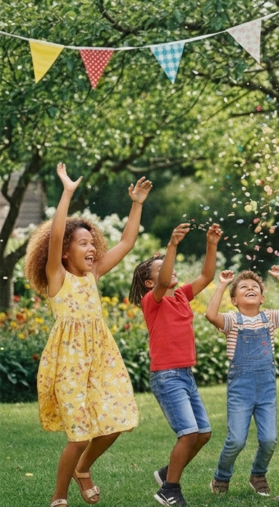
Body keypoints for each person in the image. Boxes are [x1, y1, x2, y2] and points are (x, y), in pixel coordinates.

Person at [24, 163, 152, 507]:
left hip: (101, 357)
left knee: (116, 423)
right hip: (68, 364)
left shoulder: (92, 274)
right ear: (65, 251)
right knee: (78, 436)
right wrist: (67, 192)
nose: (92, 248)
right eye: (82, 243)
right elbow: (53, 235)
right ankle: (59, 496)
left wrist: (136, 203)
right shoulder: (57, 277)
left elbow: (126, 241)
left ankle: (83, 470)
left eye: (92, 242)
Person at [129, 222, 223, 506]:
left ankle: (166, 473)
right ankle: (169, 488)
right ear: (150, 282)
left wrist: (211, 244)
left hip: (184, 374)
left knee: (203, 433)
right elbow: (163, 279)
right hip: (166, 376)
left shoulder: (181, 295)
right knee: (188, 433)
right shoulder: (152, 300)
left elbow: (207, 275)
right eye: (160, 270)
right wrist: (171, 245)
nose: (170, 272)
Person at [205, 267, 279, 497]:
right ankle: (221, 476)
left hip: (266, 386)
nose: (250, 288)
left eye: (254, 287)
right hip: (241, 386)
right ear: (234, 300)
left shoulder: (268, 318)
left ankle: (258, 474)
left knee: (269, 439)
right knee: (236, 440)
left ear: (261, 298)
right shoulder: (231, 321)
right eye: (243, 287)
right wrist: (221, 285)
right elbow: (210, 315)